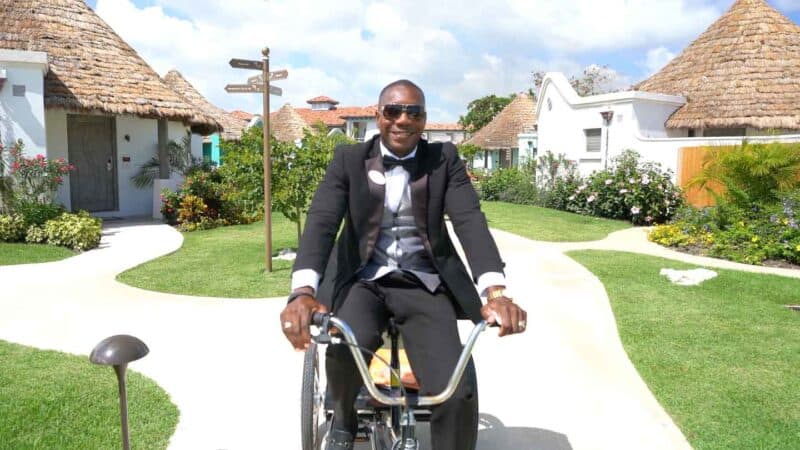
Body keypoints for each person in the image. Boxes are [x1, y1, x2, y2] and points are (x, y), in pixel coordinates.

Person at [280, 80, 527, 450]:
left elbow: (470, 221)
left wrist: (496, 291)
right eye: (393, 111)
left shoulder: (445, 159)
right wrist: (302, 291)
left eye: (414, 112)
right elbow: (321, 221)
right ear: (378, 116)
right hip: (365, 280)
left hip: (423, 283)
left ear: (424, 120)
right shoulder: (348, 159)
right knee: (345, 346)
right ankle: (344, 423)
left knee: (456, 392)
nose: (403, 120)